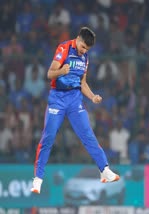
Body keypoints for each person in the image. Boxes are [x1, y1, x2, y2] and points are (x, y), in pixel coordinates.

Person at [31, 27, 120, 194]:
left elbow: (83, 83)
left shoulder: (85, 58)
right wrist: (61, 71)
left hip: (74, 100)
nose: (84, 51)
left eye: (87, 49)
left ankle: (105, 170)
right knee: (48, 136)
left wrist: (92, 97)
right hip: (57, 99)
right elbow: (50, 74)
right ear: (78, 40)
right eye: (83, 47)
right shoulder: (64, 49)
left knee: (87, 134)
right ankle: (38, 179)